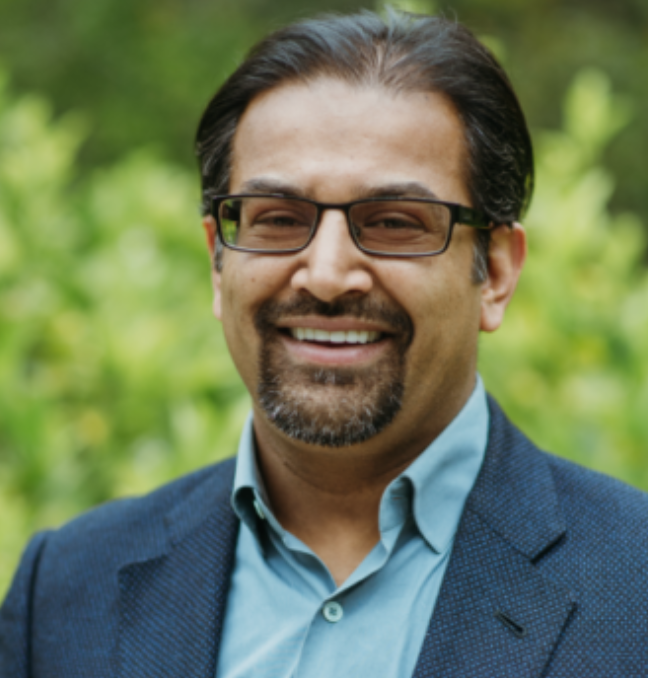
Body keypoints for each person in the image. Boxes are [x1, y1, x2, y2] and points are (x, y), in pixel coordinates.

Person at [1, 10, 647, 678]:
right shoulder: (66, 593)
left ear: (498, 272)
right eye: (279, 219)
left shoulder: (636, 587)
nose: (328, 275)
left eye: (394, 222)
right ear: (218, 263)